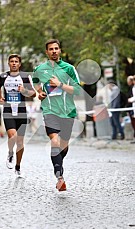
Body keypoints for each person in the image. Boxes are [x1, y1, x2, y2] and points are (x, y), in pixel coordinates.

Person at [32, 39, 80, 191]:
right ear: (47, 52)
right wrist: (39, 93)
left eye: (56, 48)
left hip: (67, 112)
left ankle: (58, 162)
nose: (54, 51)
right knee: (54, 141)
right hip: (50, 111)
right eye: (51, 49)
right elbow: (35, 82)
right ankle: (60, 176)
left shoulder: (69, 68)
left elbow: (77, 90)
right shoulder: (40, 69)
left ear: (60, 50)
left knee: (63, 147)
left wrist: (60, 84)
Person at [0, 54, 36, 175]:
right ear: (9, 63)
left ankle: (18, 166)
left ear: (19, 64)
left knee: (20, 142)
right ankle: (10, 152)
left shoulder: (24, 76)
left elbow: (33, 94)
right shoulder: (3, 76)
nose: (14, 63)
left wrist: (24, 91)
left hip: (21, 111)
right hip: (8, 110)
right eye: (12, 61)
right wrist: (0, 98)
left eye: (16, 61)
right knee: (12, 136)